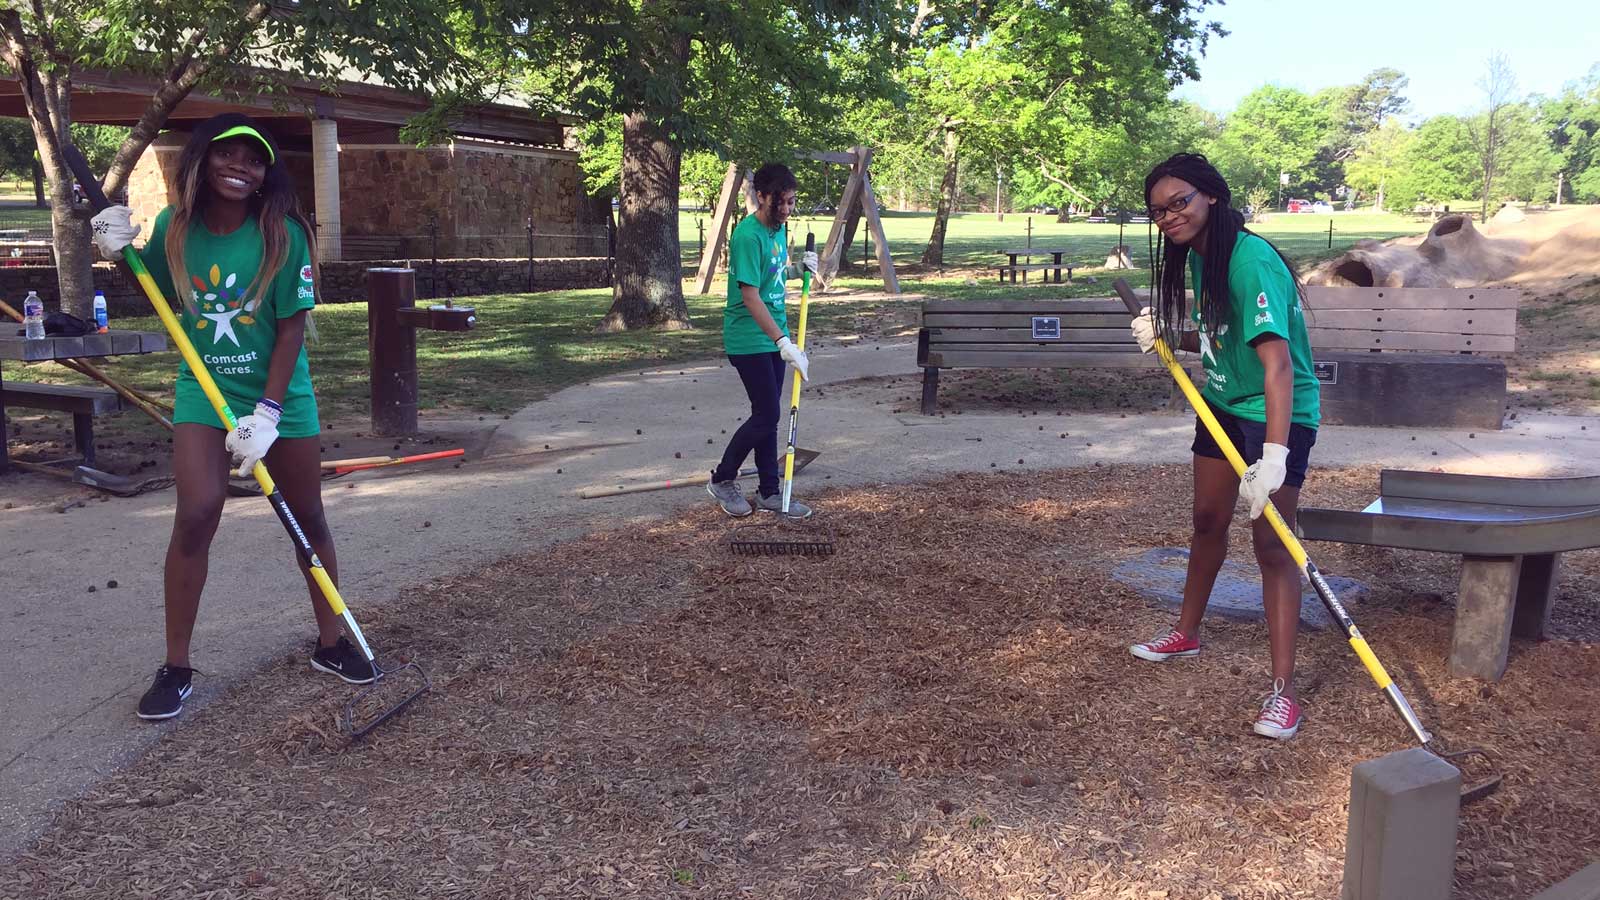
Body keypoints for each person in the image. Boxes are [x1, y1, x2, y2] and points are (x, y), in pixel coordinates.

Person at [90, 113, 372, 721]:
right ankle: (176, 666)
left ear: (266, 172)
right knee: (195, 513)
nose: (240, 167)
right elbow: (158, 293)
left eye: (254, 159)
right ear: (202, 159)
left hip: (280, 398)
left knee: (309, 518)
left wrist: (268, 414)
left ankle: (331, 642)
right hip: (203, 392)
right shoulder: (175, 227)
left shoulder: (283, 232)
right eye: (228, 155)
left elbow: (292, 328)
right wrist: (119, 254)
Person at [1125, 153, 1322, 740]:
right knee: (1207, 520)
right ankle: (1186, 632)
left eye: (1179, 201)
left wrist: (1277, 455)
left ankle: (1284, 691)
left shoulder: (1250, 261)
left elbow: (1279, 368)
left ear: (1211, 196)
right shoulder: (1201, 256)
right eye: (1158, 210)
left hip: (1276, 412)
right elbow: (1221, 339)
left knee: (1272, 545)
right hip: (1222, 404)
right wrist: (1170, 335)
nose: (1169, 216)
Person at [706, 163, 819, 519]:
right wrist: (784, 342)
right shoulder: (747, 235)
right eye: (780, 203)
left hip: (773, 335)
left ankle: (770, 491)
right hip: (749, 337)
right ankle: (723, 480)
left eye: (791, 202)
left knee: (767, 416)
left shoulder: (777, 231)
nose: (786, 210)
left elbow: (772, 274)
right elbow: (751, 295)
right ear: (761, 197)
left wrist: (797, 270)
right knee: (768, 413)